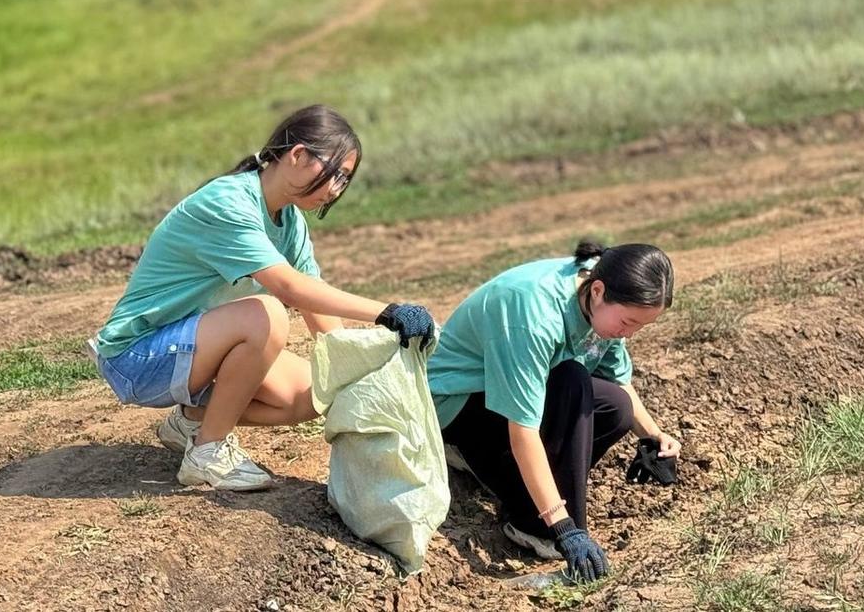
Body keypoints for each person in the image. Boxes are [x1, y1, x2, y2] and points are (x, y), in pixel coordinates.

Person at [90, 104, 436, 492]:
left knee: (312, 392)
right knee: (266, 314)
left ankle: (189, 422)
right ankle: (207, 453)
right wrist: (387, 313)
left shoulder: (289, 222)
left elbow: (315, 302)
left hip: (192, 352)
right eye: (334, 172)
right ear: (298, 155)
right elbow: (289, 288)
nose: (337, 188)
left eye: (345, 178)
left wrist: (350, 372)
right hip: (136, 358)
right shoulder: (228, 203)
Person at [427, 240, 680, 583]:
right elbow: (523, 431)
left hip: (511, 397)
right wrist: (565, 529)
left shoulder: (599, 295)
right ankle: (535, 525)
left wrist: (653, 435)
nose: (629, 333)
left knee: (615, 407)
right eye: (628, 321)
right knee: (573, 380)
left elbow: (619, 382)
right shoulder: (534, 315)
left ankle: (520, 495)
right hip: (457, 405)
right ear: (598, 290)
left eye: (640, 326)